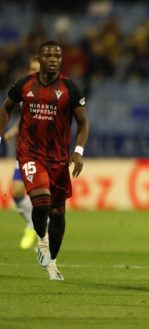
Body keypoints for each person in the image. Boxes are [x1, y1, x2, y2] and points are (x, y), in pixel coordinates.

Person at [0, 40, 90, 280]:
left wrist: (78, 151)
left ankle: (52, 262)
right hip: (30, 153)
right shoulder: (24, 84)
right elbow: (6, 107)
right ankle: (41, 238)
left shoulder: (70, 88)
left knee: (58, 214)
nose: (53, 59)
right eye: (48, 56)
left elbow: (83, 122)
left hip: (58, 159)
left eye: (57, 56)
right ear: (39, 59)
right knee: (41, 201)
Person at [3, 56, 41, 250]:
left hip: (44, 152)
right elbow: (26, 119)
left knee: (41, 194)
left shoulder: (50, 92)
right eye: (32, 69)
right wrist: (13, 131)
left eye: (38, 69)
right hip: (25, 149)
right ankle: (32, 223)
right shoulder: (24, 90)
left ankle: (44, 237)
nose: (35, 72)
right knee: (17, 192)